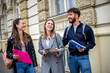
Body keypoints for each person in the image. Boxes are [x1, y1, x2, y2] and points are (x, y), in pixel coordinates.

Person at [63, 8, 96, 73]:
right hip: (71, 58)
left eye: (70, 15)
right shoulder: (67, 29)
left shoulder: (86, 28)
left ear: (77, 15)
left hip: (83, 57)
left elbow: (92, 43)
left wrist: (84, 48)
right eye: (68, 15)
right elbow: (64, 42)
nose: (68, 17)